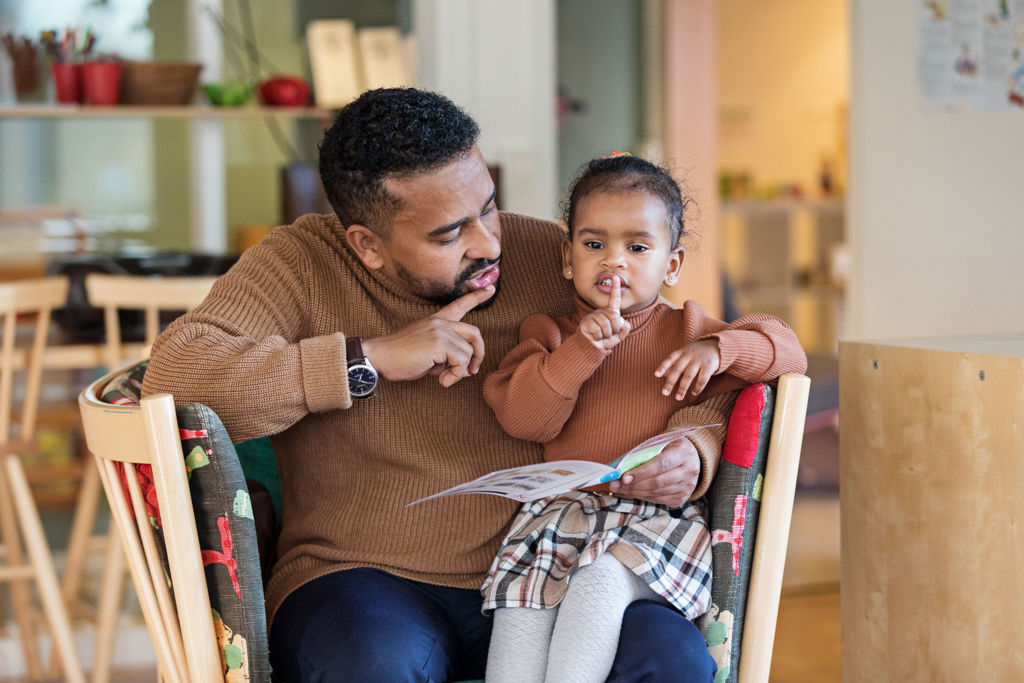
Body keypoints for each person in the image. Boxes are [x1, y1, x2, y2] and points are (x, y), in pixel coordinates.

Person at [143, 88, 729, 682]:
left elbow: (686, 347)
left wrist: (693, 448)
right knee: (373, 667)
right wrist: (367, 358)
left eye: (490, 208)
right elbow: (173, 376)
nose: (489, 243)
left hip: (553, 567)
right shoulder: (300, 264)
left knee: (671, 661)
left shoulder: (555, 255)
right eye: (450, 235)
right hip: (361, 579)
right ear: (367, 245)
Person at [480, 154, 808, 682]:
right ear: (567, 259)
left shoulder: (687, 329)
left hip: (656, 525)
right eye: (594, 245)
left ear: (671, 264)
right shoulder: (549, 332)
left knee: (598, 582)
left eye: (637, 247)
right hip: (559, 517)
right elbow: (525, 420)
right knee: (519, 612)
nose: (615, 263)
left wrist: (716, 349)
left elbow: (789, 351)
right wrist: (580, 352)